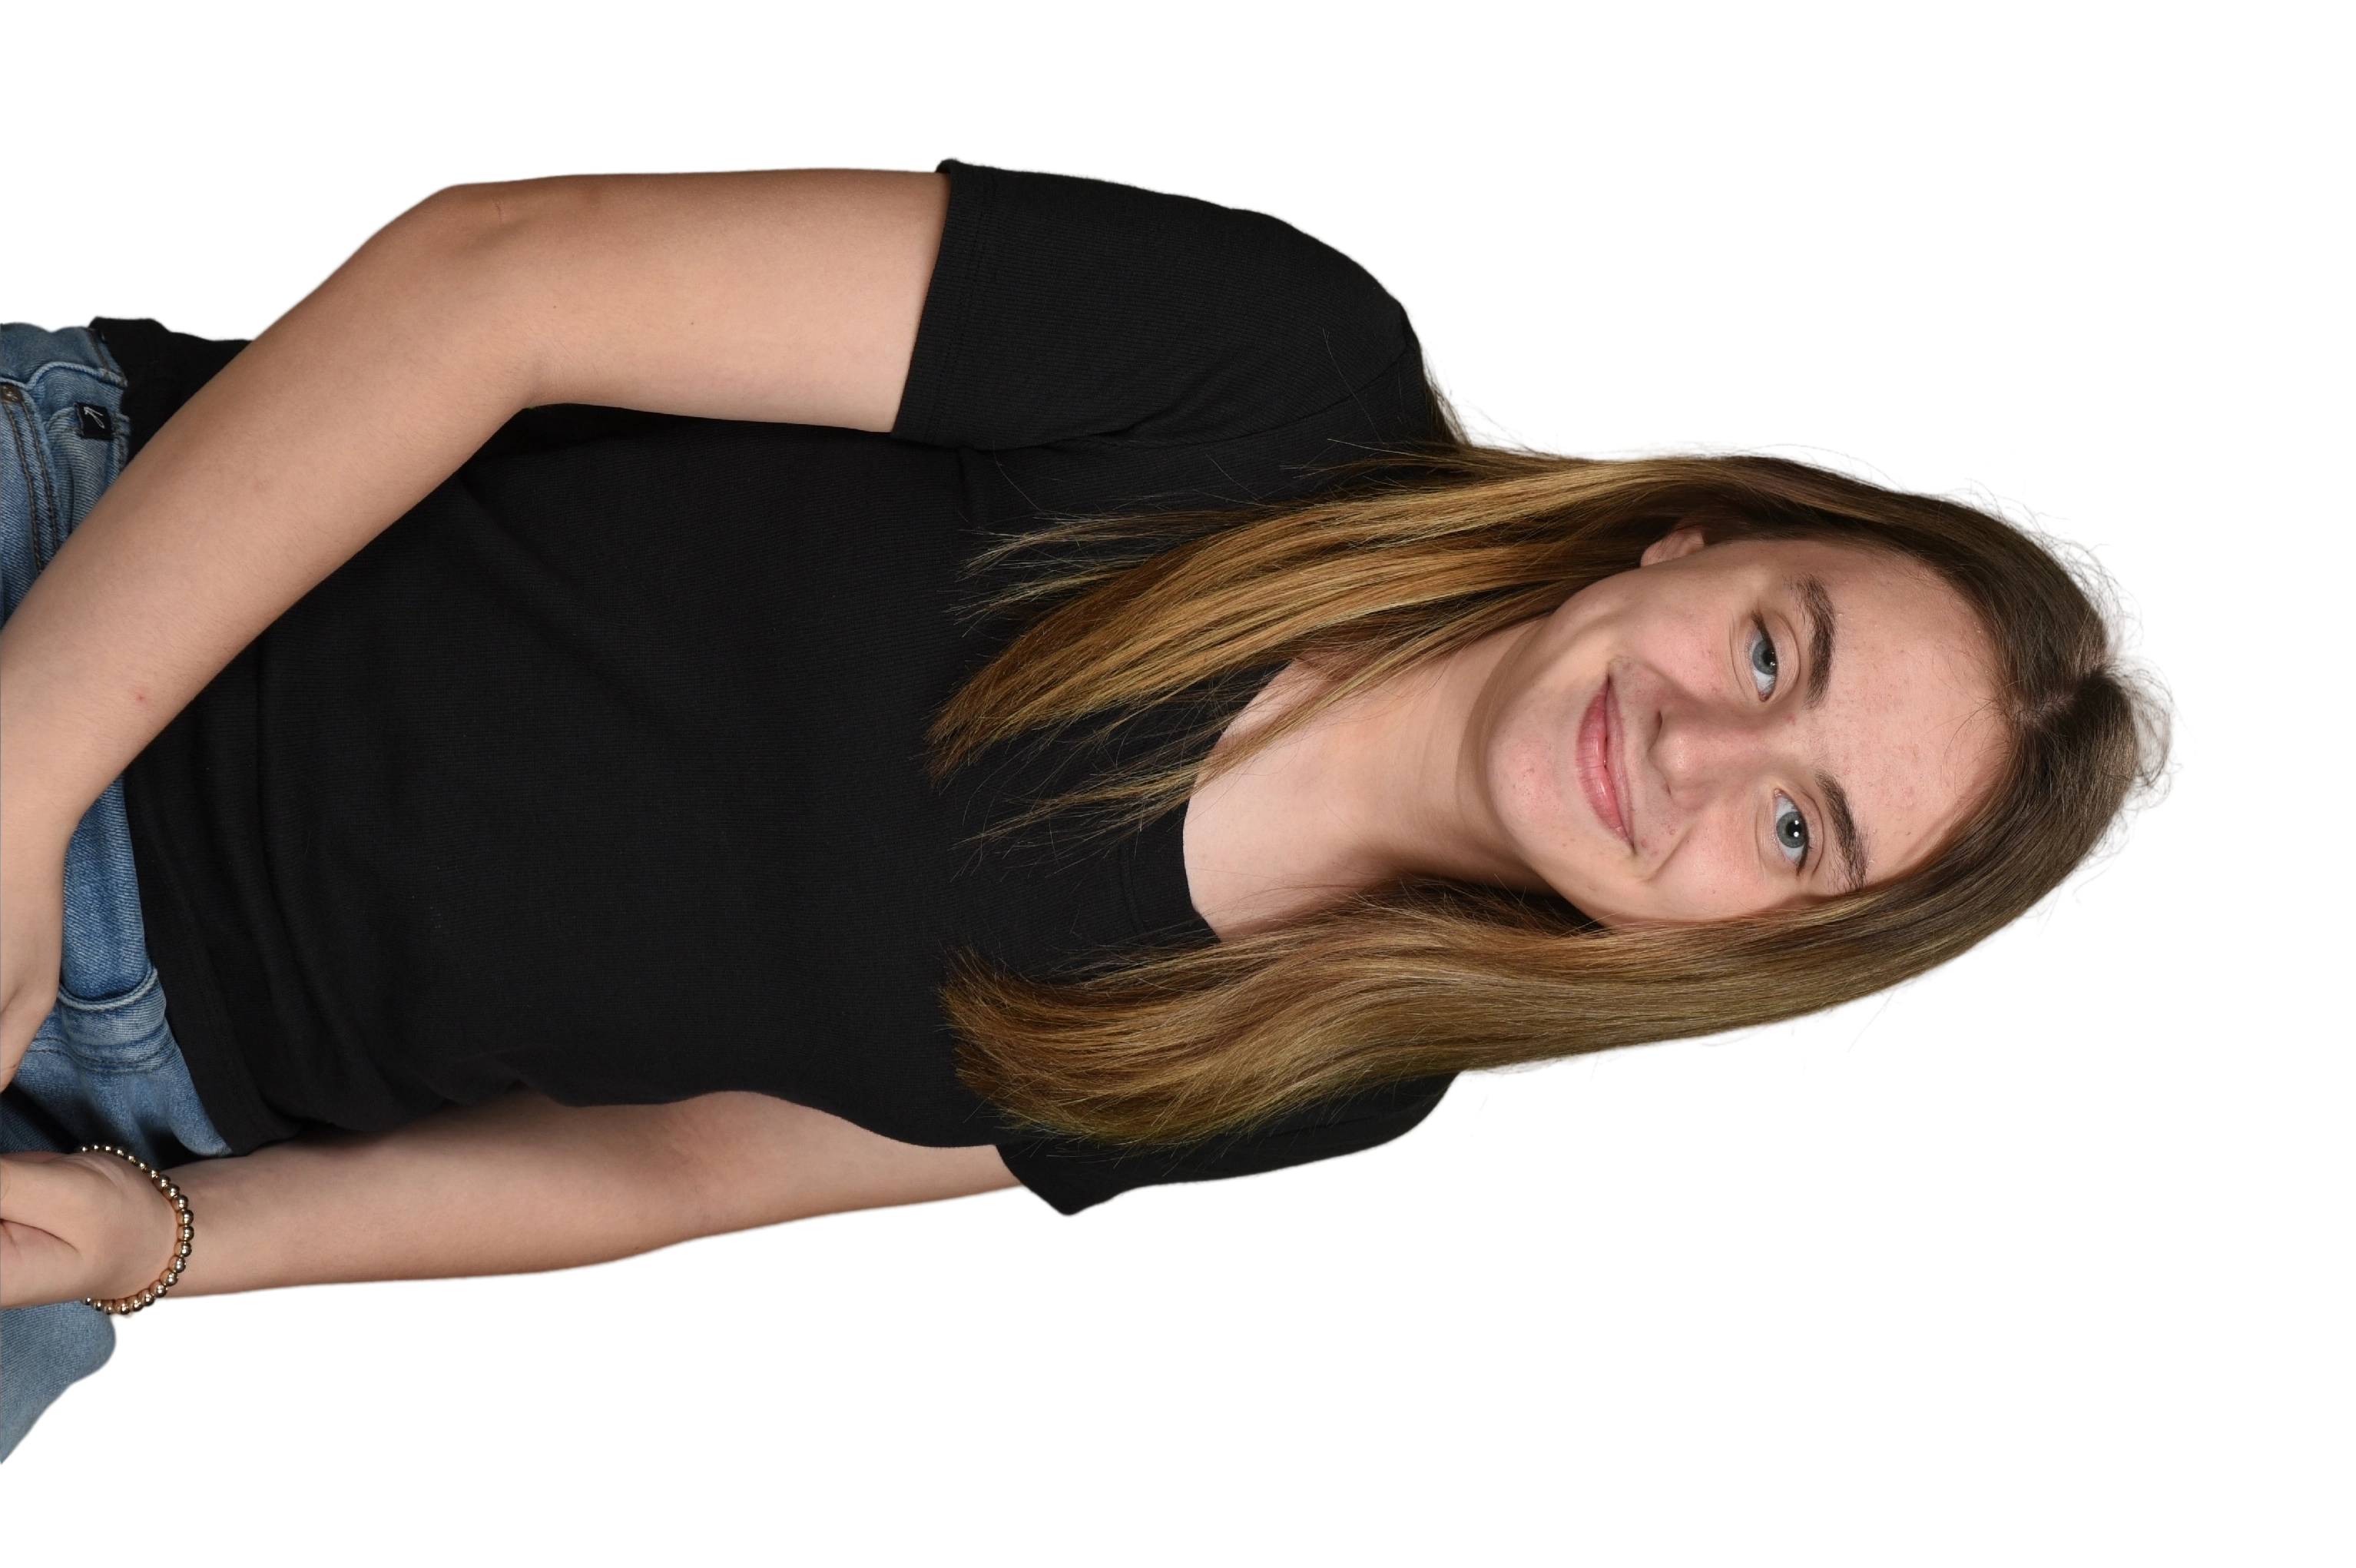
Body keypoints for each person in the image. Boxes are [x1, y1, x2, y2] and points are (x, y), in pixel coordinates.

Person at [0, 160, 2192, 1464]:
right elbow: (494, 282)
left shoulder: (1328, 1056)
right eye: (1776, 652)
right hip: (60, 605)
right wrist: (21, 789)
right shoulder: (1274, 370)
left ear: (1749, 949)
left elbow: (685, 1161)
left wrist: (164, 1245)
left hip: (141, 1105)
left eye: (1798, 833)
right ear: (1693, 539)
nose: (1701, 752)